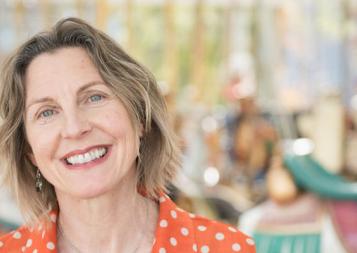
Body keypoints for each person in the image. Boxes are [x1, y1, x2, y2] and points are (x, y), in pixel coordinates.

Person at [0, 17, 256, 253]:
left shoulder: (227, 248)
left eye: (94, 97)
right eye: (46, 112)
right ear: (29, 149)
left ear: (140, 118)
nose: (75, 128)